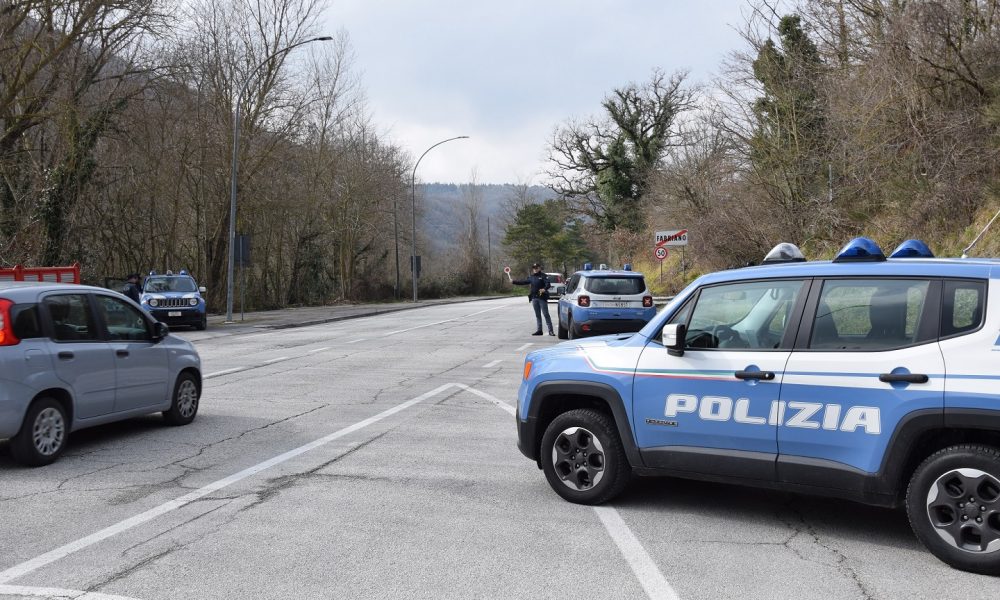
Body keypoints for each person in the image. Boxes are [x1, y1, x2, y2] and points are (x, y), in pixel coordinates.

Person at [511, 263, 554, 336]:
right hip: (534, 298)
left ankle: (550, 331)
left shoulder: (543, 276)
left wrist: (544, 289)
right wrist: (513, 282)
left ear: (539, 268)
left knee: (546, 314)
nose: (535, 269)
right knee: (538, 315)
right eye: (534, 268)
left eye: (536, 268)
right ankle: (539, 330)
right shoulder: (531, 277)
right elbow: (523, 282)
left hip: (542, 298)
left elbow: (548, 284)